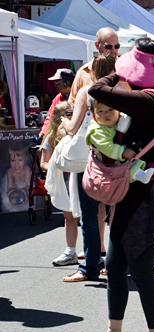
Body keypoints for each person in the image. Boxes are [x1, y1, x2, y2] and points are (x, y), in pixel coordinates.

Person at [78, 38, 154, 332]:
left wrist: (113, 67)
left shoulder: (151, 100)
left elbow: (96, 92)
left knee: (141, 269)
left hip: (142, 194)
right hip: (136, 189)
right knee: (115, 264)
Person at [61, 54, 116, 283]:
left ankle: (89, 267)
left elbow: (73, 128)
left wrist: (63, 121)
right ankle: (115, 263)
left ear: (92, 72)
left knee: (90, 216)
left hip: (91, 160)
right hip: (116, 160)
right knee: (116, 215)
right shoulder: (122, 90)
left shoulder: (87, 91)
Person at [41, 101, 82, 267]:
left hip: (80, 177)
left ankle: (94, 251)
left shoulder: (80, 134)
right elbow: (44, 162)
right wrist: (58, 164)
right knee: (69, 217)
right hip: (64, 180)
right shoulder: (51, 137)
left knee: (89, 217)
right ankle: (70, 250)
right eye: (70, 114)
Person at [85, 99, 154, 184]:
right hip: (103, 165)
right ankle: (138, 175)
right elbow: (107, 147)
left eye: (111, 109)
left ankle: (140, 174)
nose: (106, 114)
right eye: (100, 111)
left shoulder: (118, 120)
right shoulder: (96, 131)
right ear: (93, 113)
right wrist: (123, 152)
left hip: (114, 162)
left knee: (129, 165)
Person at [70, 27, 122, 102]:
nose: (113, 50)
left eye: (116, 46)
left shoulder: (126, 70)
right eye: (108, 47)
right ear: (97, 45)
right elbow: (73, 102)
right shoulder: (84, 72)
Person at [40, 69, 76, 138]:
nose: (55, 85)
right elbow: (50, 117)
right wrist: (43, 132)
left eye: (57, 81)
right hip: (60, 135)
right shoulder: (57, 98)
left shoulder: (79, 96)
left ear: (67, 83)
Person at [0, 140, 31, 213]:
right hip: (16, 190)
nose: (16, 164)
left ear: (25, 160)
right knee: (7, 202)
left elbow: (28, 185)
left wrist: (24, 191)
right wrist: (12, 192)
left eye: (19, 160)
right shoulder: (10, 171)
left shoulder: (26, 169)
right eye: (13, 160)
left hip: (25, 189)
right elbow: (10, 186)